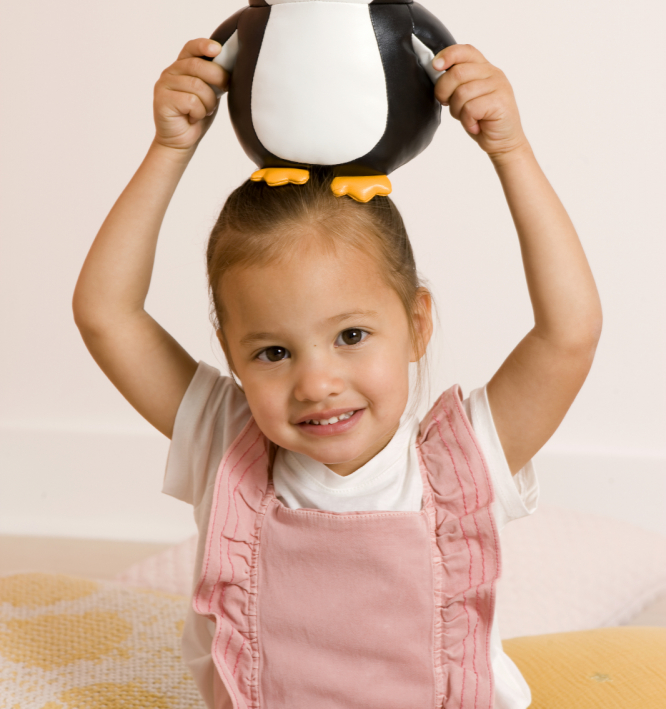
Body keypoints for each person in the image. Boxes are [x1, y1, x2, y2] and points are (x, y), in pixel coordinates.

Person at [73, 37, 602, 709]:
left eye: (351, 336)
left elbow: (569, 335)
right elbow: (106, 314)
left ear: (416, 324)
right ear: (230, 351)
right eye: (273, 352)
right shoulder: (226, 442)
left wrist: (512, 151)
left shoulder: (462, 465)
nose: (316, 384)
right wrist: (170, 148)